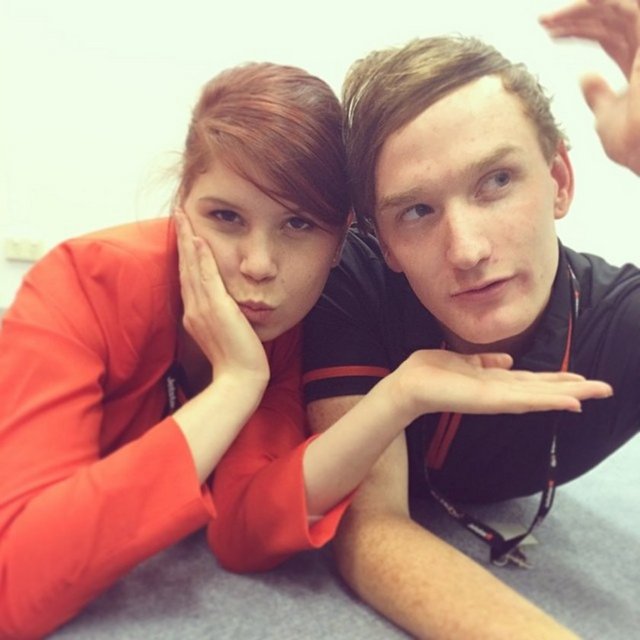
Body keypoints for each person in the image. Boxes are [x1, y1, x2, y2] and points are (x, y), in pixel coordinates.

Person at [1, 59, 608, 639]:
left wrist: (394, 399)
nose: (259, 265)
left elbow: (244, 533)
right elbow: (15, 585)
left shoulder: (302, 320)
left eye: (298, 225)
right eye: (225, 217)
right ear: (182, 205)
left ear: (342, 240)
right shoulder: (81, 282)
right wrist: (236, 384)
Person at [302, 0, 640, 638]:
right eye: (417, 212)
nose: (467, 250)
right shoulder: (352, 278)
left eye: (497, 181)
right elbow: (371, 523)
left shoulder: (619, 322)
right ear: (383, 241)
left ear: (560, 180)